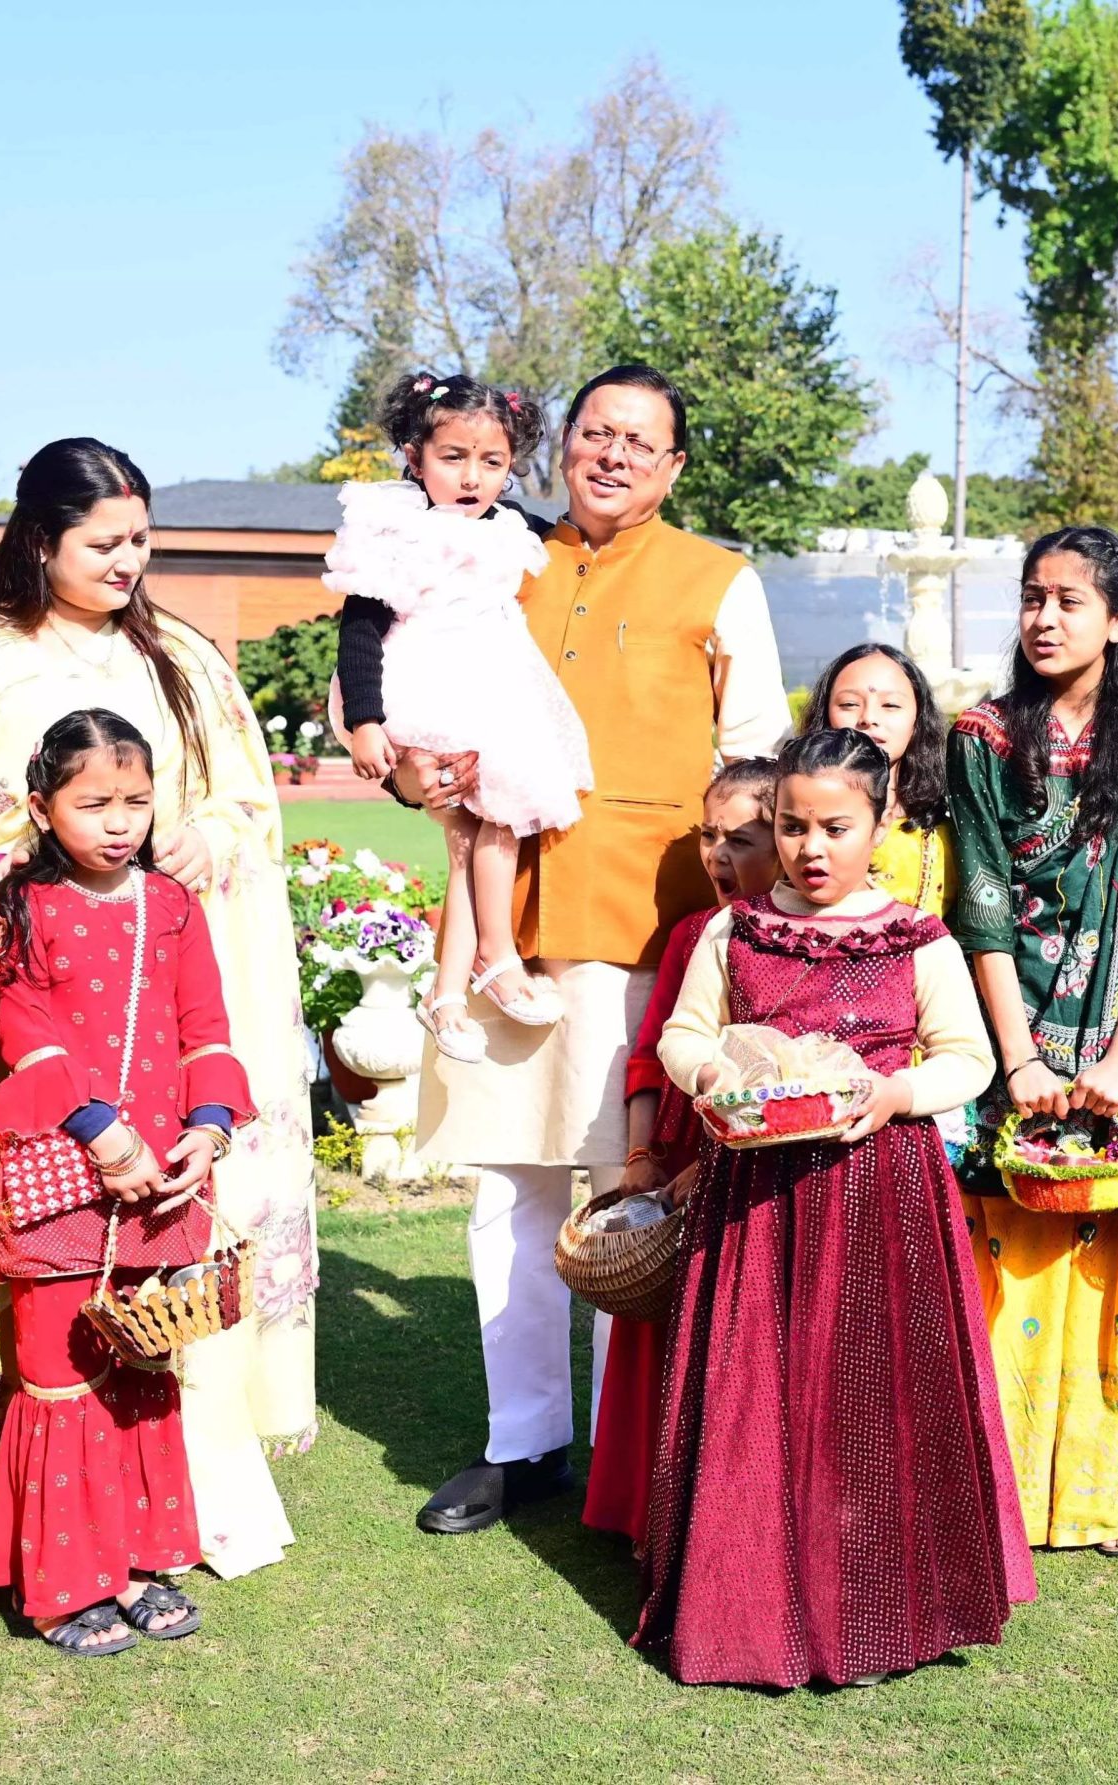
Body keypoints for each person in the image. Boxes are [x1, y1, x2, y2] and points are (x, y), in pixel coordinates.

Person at [403, 365, 790, 1537]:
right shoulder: (499, 559)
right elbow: (413, 700)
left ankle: (642, 1450)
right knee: (507, 1194)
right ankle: (521, 1443)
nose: (612, 455)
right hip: (503, 927)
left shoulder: (718, 580)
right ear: (560, 448)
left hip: (654, 933)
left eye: (640, 441)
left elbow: (761, 755)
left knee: (636, 1197)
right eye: (593, 433)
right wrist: (421, 774)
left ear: (674, 468)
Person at [0, 438, 314, 1579]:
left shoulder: (180, 657)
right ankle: (30, 1496)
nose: (129, 561)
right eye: (103, 543)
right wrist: (28, 871)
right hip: (31, 993)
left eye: (141, 539)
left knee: (159, 1250)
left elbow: (248, 800)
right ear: (39, 541)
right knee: (40, 1257)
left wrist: (206, 835)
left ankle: (173, 1490)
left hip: (163, 970)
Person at [641, 728, 1027, 1687]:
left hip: (881, 1196)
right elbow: (684, 1035)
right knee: (755, 1388)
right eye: (791, 825)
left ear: (885, 822)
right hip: (756, 1202)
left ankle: (879, 1607)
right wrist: (716, 1080)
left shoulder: (918, 937)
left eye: (836, 827)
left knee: (870, 1395)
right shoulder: (737, 930)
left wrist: (898, 1095)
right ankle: (745, 1606)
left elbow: (967, 1058)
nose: (812, 849)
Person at [0, 710, 256, 1657]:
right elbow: (26, 1033)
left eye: (136, 800)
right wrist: (103, 1134)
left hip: (160, 1183)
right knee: (56, 1374)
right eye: (93, 802)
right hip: (63, 1178)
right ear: (43, 805)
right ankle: (62, 1586)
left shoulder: (171, 905)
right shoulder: (20, 906)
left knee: (142, 1362)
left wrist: (208, 1131)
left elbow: (204, 1024)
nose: (119, 821)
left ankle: (136, 1562)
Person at [949, 525, 1118, 1557]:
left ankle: (1091, 1487)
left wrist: (1115, 1057)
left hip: (1117, 1050)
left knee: (1106, 1273)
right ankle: (997, 1484)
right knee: (1003, 1265)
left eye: (1068, 600)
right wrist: (1018, 1059)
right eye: (1031, 598)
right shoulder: (983, 735)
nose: (1044, 618)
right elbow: (980, 899)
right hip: (1010, 1032)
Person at [326, 371, 588, 1064]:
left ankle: (451, 989)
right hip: (426, 685)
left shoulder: (512, 528)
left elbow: (576, 535)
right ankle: (491, 960)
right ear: (414, 456)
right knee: (469, 832)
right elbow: (358, 628)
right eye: (453, 458)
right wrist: (366, 720)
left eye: (492, 462)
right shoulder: (395, 529)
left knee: (494, 827)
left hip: (496, 691)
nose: (472, 478)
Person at [582, 754, 779, 1546]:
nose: (717, 856)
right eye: (707, 834)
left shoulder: (798, 939)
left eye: (743, 836)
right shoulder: (696, 932)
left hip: (750, 1162)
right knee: (655, 1333)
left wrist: (713, 1165)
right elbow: (646, 1050)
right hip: (672, 1153)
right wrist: (641, 1160)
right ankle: (648, 1514)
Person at [801, 641, 955, 912]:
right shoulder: (790, 820)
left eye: (890, 705)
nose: (868, 718)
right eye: (849, 704)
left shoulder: (951, 825)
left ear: (918, 719)